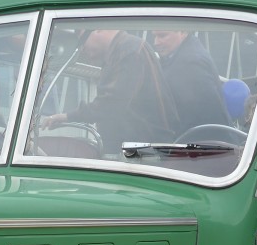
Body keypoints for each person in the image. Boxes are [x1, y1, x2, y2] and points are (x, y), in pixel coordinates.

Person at [41, 29, 176, 152]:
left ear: (98, 30)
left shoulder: (130, 51)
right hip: (135, 148)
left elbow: (111, 103)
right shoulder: (120, 51)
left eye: (81, 41)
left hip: (144, 151)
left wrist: (66, 117)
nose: (81, 49)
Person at [150, 29, 231, 135]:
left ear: (183, 32)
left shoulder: (190, 64)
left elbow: (192, 118)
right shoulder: (183, 54)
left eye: (162, 35)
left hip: (200, 145)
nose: (156, 42)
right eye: (155, 36)